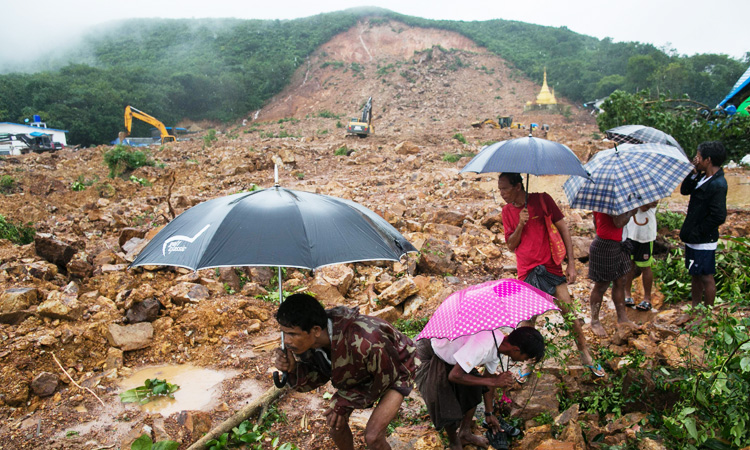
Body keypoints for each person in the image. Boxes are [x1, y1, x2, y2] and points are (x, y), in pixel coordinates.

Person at [273, 293, 418, 450]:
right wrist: (294, 369)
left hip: (396, 369)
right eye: (284, 333)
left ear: (315, 330)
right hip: (361, 373)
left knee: (373, 436)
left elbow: (382, 381)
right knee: (336, 424)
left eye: (292, 334)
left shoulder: (367, 340)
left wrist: (342, 402)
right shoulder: (312, 343)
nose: (286, 341)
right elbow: (318, 376)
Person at [497, 173, 605, 378]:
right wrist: (521, 223)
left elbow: (563, 227)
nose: (501, 193)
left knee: (569, 314)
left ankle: (586, 356)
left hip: (551, 267)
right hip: (527, 271)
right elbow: (511, 245)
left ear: (518, 186)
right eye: (500, 189)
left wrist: (571, 263)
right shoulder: (507, 212)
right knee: (528, 321)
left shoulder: (543, 199)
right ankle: (528, 362)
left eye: (505, 188)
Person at [415, 327, 545, 450]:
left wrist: (489, 413)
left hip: (453, 355)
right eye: (525, 358)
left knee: (475, 386)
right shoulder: (483, 345)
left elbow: (488, 380)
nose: (523, 362)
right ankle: (454, 442)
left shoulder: (498, 343)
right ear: (516, 349)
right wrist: (494, 381)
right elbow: (454, 376)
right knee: (444, 394)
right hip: (432, 351)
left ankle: (465, 433)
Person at [679, 141, 728, 308]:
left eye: (698, 156)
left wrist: (698, 232)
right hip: (694, 237)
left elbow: (719, 216)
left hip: (703, 239)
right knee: (695, 273)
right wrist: (692, 172)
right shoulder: (702, 177)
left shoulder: (718, 184)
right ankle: (695, 308)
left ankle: (706, 314)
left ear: (707, 160)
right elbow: (684, 190)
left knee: (706, 276)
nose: (695, 159)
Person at [588, 209, 639, 337]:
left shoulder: (610, 196)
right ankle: (594, 321)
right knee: (601, 286)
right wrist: (632, 212)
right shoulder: (610, 200)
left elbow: (596, 221)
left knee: (620, 282)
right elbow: (619, 222)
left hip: (619, 243)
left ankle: (622, 317)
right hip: (606, 245)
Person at [624, 201, 659, 311]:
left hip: (645, 234)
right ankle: (627, 294)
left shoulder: (652, 189)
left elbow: (645, 207)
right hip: (630, 232)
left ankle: (647, 299)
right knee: (629, 263)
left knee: (645, 266)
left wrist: (634, 201)